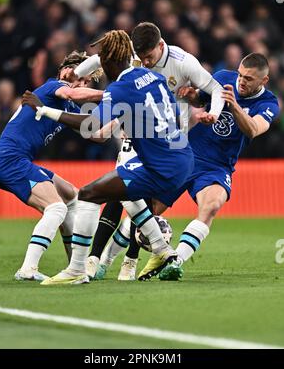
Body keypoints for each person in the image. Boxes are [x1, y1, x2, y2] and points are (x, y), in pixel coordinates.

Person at [22, 29, 195, 286]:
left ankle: (78, 269)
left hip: (161, 166)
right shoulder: (152, 76)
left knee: (89, 193)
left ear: (109, 61)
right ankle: (162, 250)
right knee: (129, 193)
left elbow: (91, 125)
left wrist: (44, 110)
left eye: (102, 58)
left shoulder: (119, 88)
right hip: (183, 157)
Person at [71, 21, 225, 280]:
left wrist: (213, 113)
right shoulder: (135, 52)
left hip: (173, 139)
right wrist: (77, 73)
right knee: (121, 190)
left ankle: (129, 259)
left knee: (146, 203)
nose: (144, 61)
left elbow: (216, 89)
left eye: (149, 56)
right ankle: (98, 259)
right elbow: (100, 58)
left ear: (161, 46)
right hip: (137, 131)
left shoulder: (184, 62)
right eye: (140, 57)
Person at [139, 52, 280, 281]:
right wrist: (192, 95)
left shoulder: (269, 103)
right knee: (146, 209)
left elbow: (254, 129)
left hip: (217, 166)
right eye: (241, 75)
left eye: (249, 79)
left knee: (211, 206)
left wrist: (233, 106)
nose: (242, 81)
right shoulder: (224, 77)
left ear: (263, 81)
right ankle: (108, 261)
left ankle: (175, 262)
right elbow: (201, 100)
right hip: (186, 155)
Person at [0, 51, 103, 281]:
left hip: (16, 159)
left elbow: (96, 135)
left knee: (72, 195)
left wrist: (120, 117)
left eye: (86, 80)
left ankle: (76, 268)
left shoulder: (68, 106)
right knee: (57, 208)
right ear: (66, 71)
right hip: (10, 159)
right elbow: (72, 92)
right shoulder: (54, 87)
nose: (83, 83)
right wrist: (111, 94)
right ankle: (28, 269)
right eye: (82, 78)